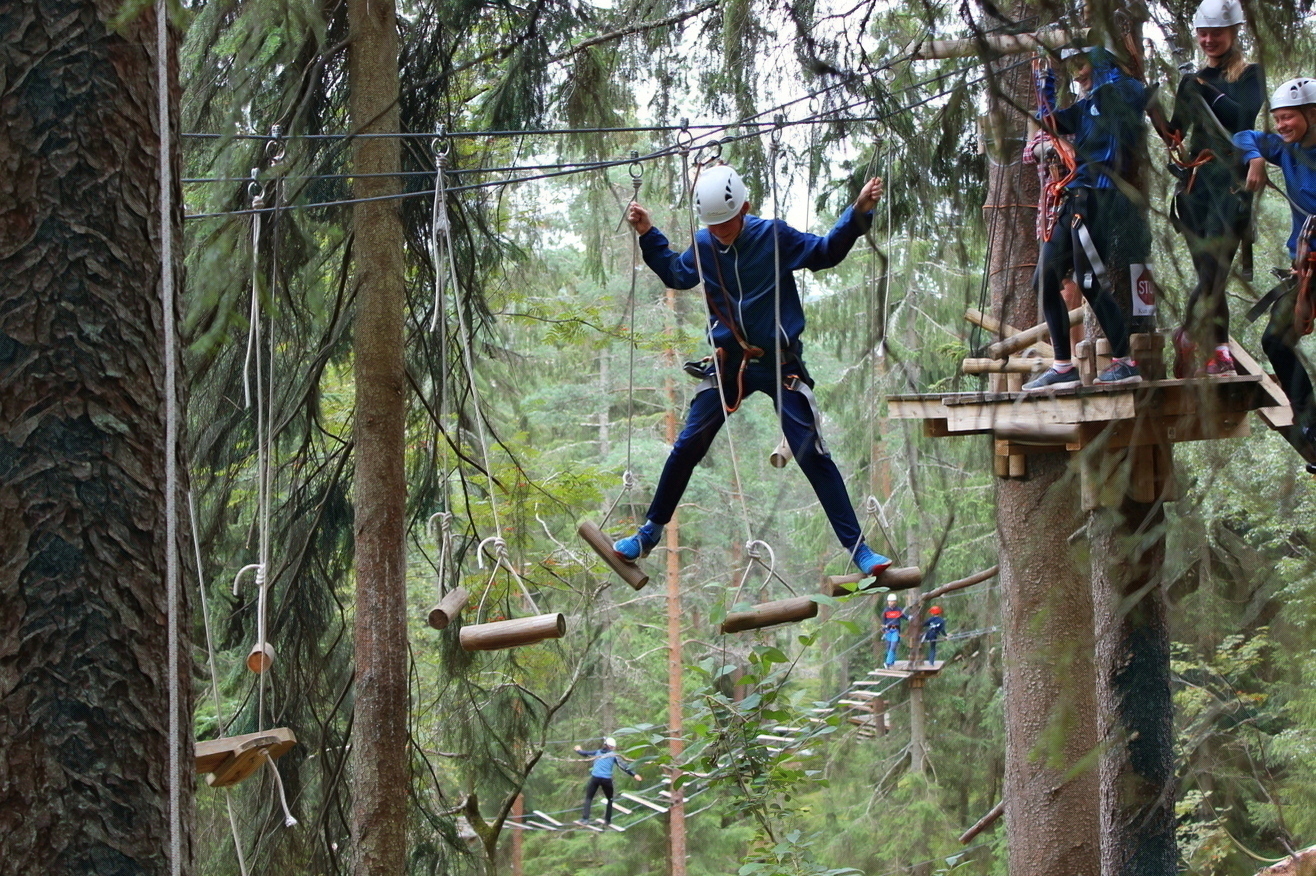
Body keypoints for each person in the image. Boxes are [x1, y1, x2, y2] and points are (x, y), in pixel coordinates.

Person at [613, 165, 892, 578]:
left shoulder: (772, 236)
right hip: (729, 364)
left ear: (744, 207)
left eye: (727, 222)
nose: (721, 231)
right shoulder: (706, 244)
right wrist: (649, 234)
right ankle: (649, 533)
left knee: (810, 453)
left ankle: (858, 549)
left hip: (781, 365)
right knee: (688, 444)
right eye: (714, 225)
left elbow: (825, 252)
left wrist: (858, 212)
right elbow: (676, 273)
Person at [1022, 45, 1150, 392]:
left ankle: (1125, 361)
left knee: (1089, 281)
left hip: (1099, 198)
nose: (1076, 72)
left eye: (1081, 65)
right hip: (1073, 198)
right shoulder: (1082, 107)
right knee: (1045, 279)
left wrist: (1094, 55)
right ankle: (1064, 367)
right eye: (1073, 66)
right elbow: (1047, 120)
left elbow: (1132, 94)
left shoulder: (1123, 92)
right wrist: (1045, 78)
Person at [1164, 0, 1265, 376]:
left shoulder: (1251, 74)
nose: (1208, 40)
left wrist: (1202, 87)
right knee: (1209, 270)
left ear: (1233, 33)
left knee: (1216, 271)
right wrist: (1154, 112)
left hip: (1231, 185)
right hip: (1196, 185)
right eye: (1203, 34)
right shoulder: (1192, 81)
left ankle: (1189, 334)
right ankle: (1219, 352)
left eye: (1216, 33)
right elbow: (1178, 131)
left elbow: (1240, 117)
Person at [1235, 78, 1316, 451]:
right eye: (1279, 119)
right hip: (1306, 268)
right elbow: (1241, 136)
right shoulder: (1285, 149)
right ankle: (1311, 421)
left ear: (1312, 115)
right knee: (1275, 340)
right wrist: (1255, 158)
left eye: (1290, 118)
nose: (1282, 126)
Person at [573, 737, 641, 826]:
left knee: (589, 798)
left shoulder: (597, 753)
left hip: (595, 779)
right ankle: (607, 821)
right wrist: (634, 774)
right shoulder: (614, 755)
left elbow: (585, 754)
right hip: (606, 780)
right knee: (610, 799)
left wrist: (578, 750)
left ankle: (585, 819)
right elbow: (623, 766)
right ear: (611, 747)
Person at [881, 593, 906, 668]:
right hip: (888, 631)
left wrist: (910, 617)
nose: (891, 603)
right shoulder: (886, 611)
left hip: (895, 630)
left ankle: (887, 662)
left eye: (893, 601)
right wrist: (883, 629)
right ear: (888, 602)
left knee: (893, 646)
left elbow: (905, 616)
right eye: (890, 601)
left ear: (896, 602)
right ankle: (891, 662)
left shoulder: (899, 610)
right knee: (889, 647)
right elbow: (883, 621)